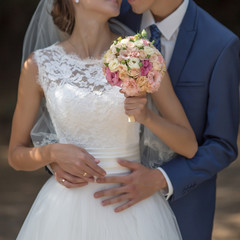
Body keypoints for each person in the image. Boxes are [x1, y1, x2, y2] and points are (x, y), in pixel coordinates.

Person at [8, 0, 198, 239]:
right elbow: (15, 155)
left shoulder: (139, 56)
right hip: (63, 214)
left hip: (132, 209)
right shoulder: (38, 65)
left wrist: (146, 116)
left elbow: (189, 145)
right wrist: (52, 153)